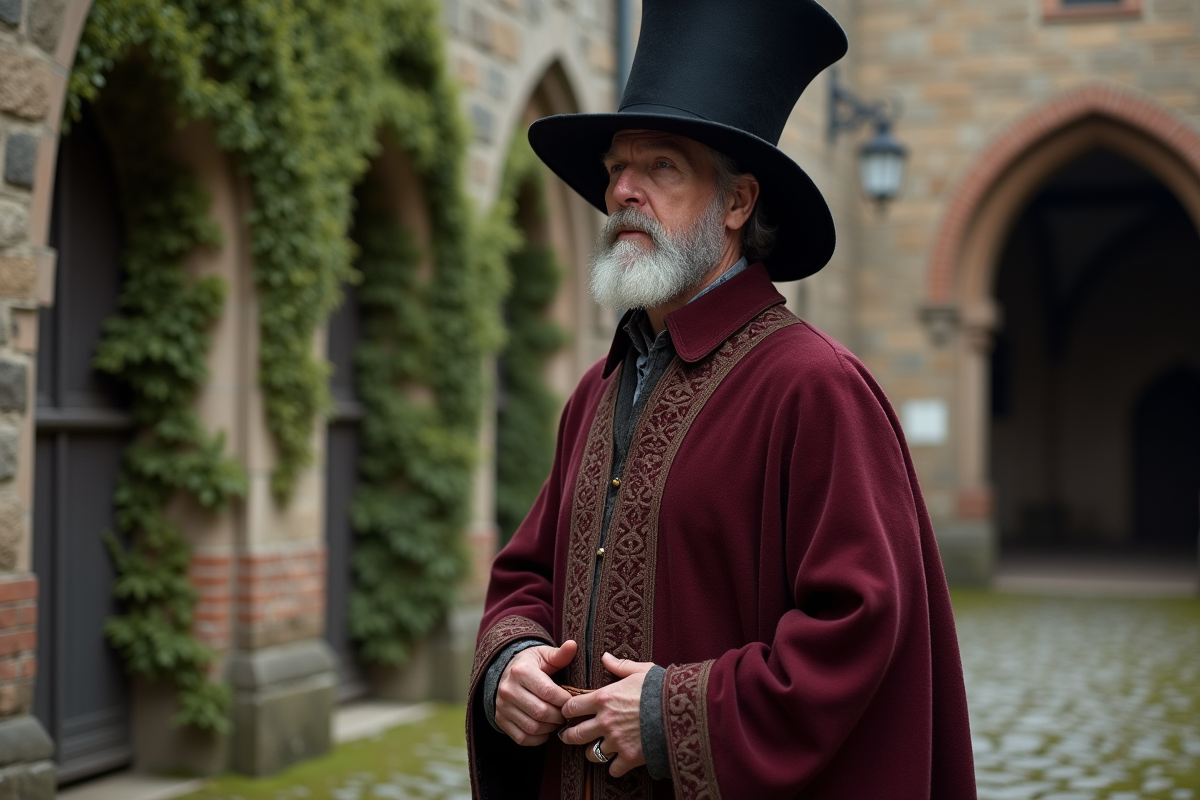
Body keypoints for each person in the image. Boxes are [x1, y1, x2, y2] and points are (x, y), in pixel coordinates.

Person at [466, 1, 977, 797]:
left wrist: (668, 715)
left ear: (738, 203)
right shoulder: (596, 391)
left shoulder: (815, 387)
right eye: (615, 168)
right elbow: (529, 571)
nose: (623, 190)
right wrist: (512, 661)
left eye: (661, 167)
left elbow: (859, 625)